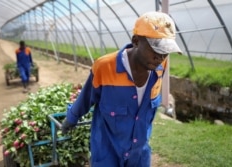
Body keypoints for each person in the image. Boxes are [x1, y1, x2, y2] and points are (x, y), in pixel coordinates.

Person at [62, 11, 182, 167]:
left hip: (139, 155)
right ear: (136, 41)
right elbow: (86, 97)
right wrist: (71, 119)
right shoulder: (104, 67)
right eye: (156, 49)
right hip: (107, 153)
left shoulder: (160, 66)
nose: (160, 57)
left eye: (165, 51)